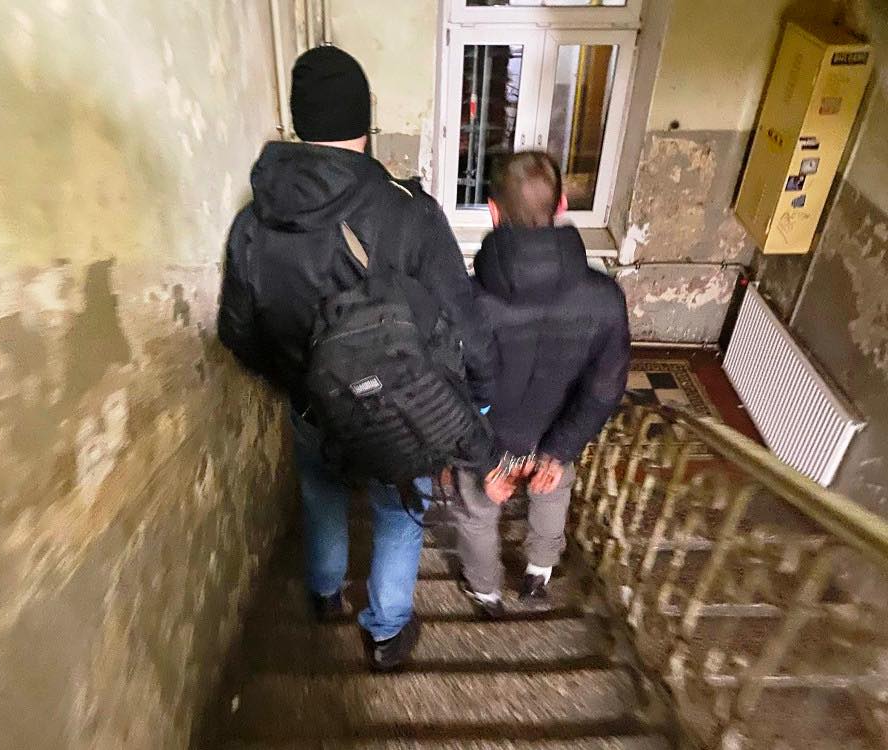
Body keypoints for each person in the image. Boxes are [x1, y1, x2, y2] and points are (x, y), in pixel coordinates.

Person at [217, 46, 496, 670]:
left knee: (321, 495)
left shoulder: (251, 225)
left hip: (311, 408)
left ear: (298, 122)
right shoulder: (410, 213)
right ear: (365, 117)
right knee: (397, 512)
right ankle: (387, 633)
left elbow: (236, 332)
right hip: (401, 412)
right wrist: (477, 403)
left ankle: (324, 594)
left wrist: (299, 381)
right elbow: (466, 325)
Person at [452, 151, 630, 618]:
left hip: (487, 437)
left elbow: (451, 390)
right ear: (562, 205)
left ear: (493, 211)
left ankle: (485, 593)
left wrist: (485, 460)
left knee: (477, 511)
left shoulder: (466, 302)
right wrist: (559, 449)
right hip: (553, 431)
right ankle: (539, 573)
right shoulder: (605, 298)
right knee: (553, 491)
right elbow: (605, 387)